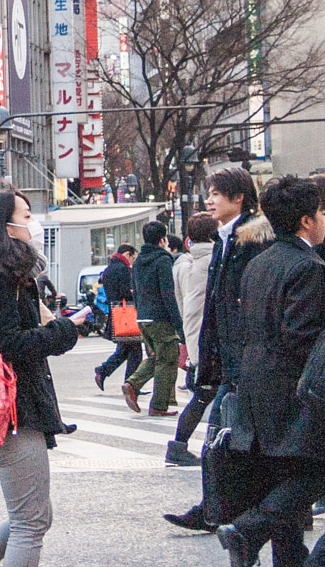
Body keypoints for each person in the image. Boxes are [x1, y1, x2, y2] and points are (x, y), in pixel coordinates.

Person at [0, 189, 93, 567]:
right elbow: (8, 343)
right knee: (31, 522)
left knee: (36, 515)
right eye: (26, 217)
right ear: (3, 227)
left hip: (7, 413)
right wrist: (64, 332)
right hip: (9, 414)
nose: (32, 224)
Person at [209, 174, 325, 567]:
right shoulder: (309, 267)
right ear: (307, 220)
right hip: (292, 390)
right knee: (309, 475)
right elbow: (302, 338)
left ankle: (281, 555)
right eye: (322, 211)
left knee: (280, 480)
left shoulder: (259, 263)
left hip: (256, 386)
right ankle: (249, 530)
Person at [166, 168, 272, 535]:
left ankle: (240, 512)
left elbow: (246, 306)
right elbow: (216, 307)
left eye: (215, 194)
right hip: (228, 359)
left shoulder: (252, 241)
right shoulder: (226, 239)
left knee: (232, 440)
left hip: (245, 361)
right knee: (221, 439)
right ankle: (215, 509)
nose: (208, 201)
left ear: (239, 197)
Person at [168, 212, 219, 467]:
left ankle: (178, 447)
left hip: (193, 337)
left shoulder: (181, 264)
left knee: (202, 396)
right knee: (206, 396)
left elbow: (180, 303)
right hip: (212, 340)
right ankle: (181, 447)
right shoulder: (214, 260)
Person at [124, 218, 183, 417]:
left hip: (143, 317)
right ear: (162, 239)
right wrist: (178, 324)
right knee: (168, 359)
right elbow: (168, 293)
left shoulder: (139, 260)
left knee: (157, 356)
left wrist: (140, 312)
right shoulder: (163, 259)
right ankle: (158, 404)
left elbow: (136, 291)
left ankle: (133, 384)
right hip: (160, 317)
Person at [93, 244, 139, 389]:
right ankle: (131, 385)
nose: (132, 261)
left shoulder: (108, 270)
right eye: (132, 257)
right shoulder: (123, 269)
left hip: (116, 314)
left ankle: (104, 371)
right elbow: (126, 291)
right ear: (127, 254)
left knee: (125, 350)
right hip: (126, 315)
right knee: (135, 352)